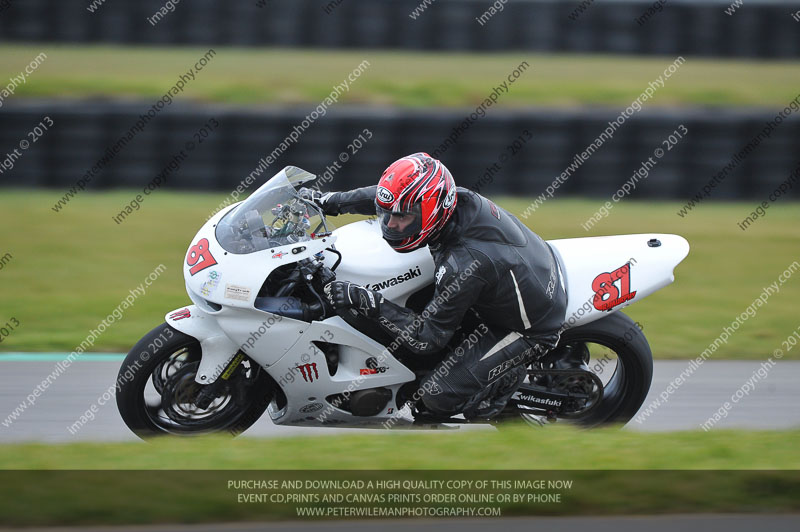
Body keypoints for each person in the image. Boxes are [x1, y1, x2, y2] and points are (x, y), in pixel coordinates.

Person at [300, 152, 567, 420]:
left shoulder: (464, 264)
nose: (391, 224)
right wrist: (326, 201)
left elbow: (428, 338)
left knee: (435, 398)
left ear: (431, 212)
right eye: (388, 214)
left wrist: (367, 301)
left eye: (402, 217)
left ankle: (504, 383)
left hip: (526, 328)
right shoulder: (447, 201)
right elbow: (389, 197)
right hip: (512, 278)